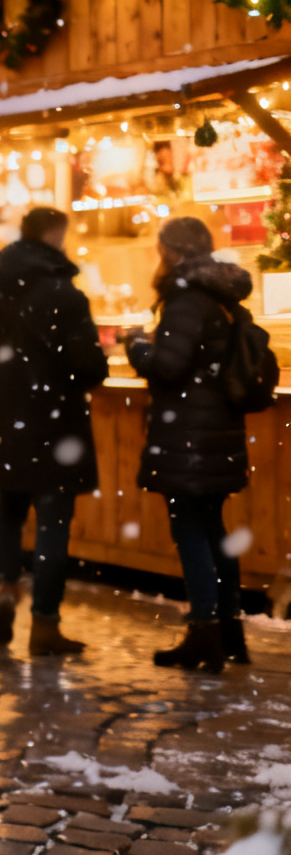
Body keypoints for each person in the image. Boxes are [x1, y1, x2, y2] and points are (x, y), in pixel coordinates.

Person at [0, 207, 105, 656]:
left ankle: (3, 589)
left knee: (8, 514)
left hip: (4, 419)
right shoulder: (65, 295)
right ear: (55, 235)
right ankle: (44, 622)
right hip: (56, 423)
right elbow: (90, 368)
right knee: (54, 523)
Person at [128, 217, 253, 673]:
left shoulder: (185, 300)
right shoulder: (222, 297)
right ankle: (228, 631)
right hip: (217, 431)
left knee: (190, 529)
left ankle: (204, 633)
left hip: (189, 436)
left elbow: (169, 367)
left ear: (173, 252)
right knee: (213, 529)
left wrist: (138, 348)